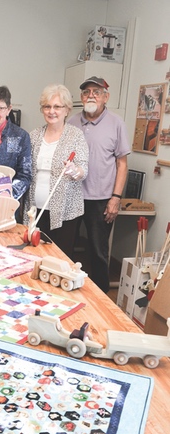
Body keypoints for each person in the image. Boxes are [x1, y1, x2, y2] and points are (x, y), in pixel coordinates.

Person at [68, 76, 130, 293]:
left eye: (96, 91)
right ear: (81, 97)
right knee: (66, 249)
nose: (91, 95)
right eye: (86, 92)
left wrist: (116, 198)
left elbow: (122, 164)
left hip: (101, 199)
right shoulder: (71, 122)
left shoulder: (116, 123)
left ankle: (101, 297)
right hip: (72, 196)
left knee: (98, 252)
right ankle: (66, 292)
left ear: (106, 97)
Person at [22, 84, 89, 258]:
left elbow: (84, 170)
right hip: (34, 210)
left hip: (64, 213)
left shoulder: (76, 136)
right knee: (32, 255)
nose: (52, 111)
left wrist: (75, 170)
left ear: (67, 110)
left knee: (58, 258)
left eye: (57, 106)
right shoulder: (33, 135)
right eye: (47, 106)